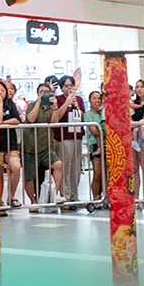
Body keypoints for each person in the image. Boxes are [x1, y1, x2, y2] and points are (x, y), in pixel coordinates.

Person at [23, 81, 63, 207]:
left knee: (58, 164)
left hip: (45, 147)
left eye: (47, 92)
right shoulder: (32, 105)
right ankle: (33, 202)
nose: (44, 94)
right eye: (42, 92)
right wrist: (39, 101)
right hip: (29, 146)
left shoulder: (52, 107)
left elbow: (54, 121)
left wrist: (55, 105)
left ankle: (55, 195)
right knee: (29, 176)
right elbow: (31, 118)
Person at [52, 75, 86, 204]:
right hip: (63, 137)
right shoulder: (58, 99)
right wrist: (67, 103)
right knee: (65, 167)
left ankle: (74, 196)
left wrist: (76, 106)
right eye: (66, 86)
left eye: (71, 85)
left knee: (76, 167)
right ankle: (65, 196)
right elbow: (58, 116)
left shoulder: (79, 99)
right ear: (61, 88)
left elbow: (82, 116)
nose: (69, 88)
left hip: (76, 136)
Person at [0, 80, 23, 208]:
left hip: (11, 143)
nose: (0, 93)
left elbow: (16, 120)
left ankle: (11, 196)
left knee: (16, 167)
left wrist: (2, 124)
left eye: (2, 90)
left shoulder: (10, 104)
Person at [84, 89, 106, 202]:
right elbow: (95, 131)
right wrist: (103, 130)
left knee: (105, 173)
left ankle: (105, 196)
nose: (97, 101)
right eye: (94, 98)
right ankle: (96, 197)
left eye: (99, 98)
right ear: (90, 100)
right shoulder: (88, 114)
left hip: (106, 144)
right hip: (94, 144)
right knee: (97, 173)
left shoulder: (103, 113)